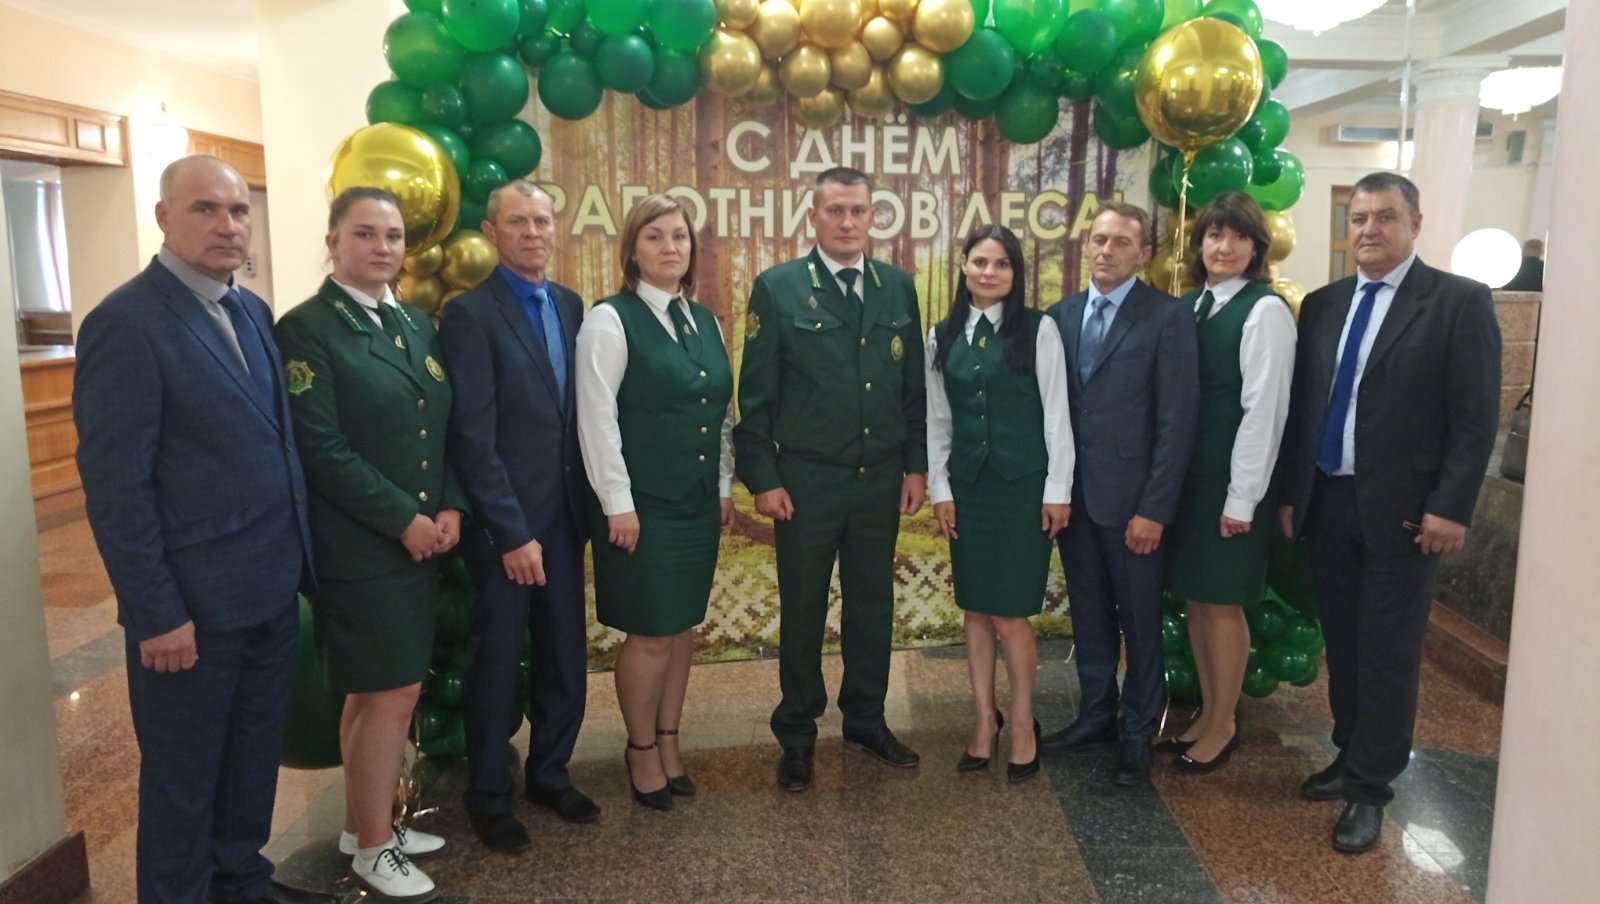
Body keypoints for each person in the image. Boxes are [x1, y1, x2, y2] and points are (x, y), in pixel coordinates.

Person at [73, 155, 324, 904]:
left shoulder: (252, 311)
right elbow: (118, 488)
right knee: (184, 780)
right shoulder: (126, 323)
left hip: (269, 590)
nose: (228, 226)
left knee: (250, 761)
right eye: (206, 209)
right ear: (164, 218)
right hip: (189, 610)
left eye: (239, 210)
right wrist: (157, 612)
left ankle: (240, 880)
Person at [1277, 172, 1501, 853]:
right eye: (1360, 218)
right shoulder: (1323, 304)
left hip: (1406, 515)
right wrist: (1291, 493)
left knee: (1388, 653)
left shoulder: (1457, 302)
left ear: (1415, 224)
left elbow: (1474, 419)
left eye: (1385, 217)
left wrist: (1450, 507)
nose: (1370, 229)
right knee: (1344, 645)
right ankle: (1350, 752)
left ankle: (1370, 790)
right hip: (1328, 502)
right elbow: (1304, 408)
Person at [273, 187, 466, 900]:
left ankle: (365, 826)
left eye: (393, 235)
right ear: (333, 242)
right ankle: (376, 850)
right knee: (388, 692)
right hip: (362, 545)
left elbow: (438, 425)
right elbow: (320, 449)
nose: (383, 247)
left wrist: (451, 502)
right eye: (364, 233)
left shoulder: (412, 322)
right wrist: (403, 519)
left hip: (420, 537)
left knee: (380, 691)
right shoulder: (307, 328)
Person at [734, 166, 929, 792]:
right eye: (836, 210)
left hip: (879, 480)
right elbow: (756, 395)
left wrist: (917, 465)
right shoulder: (780, 287)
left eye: (859, 211)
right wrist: (763, 477)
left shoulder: (897, 286)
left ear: (873, 217)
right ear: (813, 216)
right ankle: (796, 732)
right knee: (804, 608)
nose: (848, 222)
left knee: (872, 604)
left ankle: (866, 719)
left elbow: (912, 390)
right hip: (806, 482)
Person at [439, 180, 595, 852]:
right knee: (499, 661)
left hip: (566, 518)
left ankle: (550, 773)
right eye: (517, 222)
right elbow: (473, 437)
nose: (533, 232)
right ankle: (489, 796)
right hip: (506, 529)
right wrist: (511, 531)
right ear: (491, 231)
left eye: (542, 220)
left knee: (564, 653)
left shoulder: (570, 305)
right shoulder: (469, 314)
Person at [574, 194, 736, 810]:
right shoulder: (610, 320)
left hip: (695, 502)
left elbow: (719, 414)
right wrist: (617, 502)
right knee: (649, 634)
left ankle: (669, 740)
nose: (671, 247)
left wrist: (722, 487)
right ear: (632, 251)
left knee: (680, 626)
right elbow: (596, 420)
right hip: (640, 506)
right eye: (655, 236)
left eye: (680, 236)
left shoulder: (704, 321)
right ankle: (640, 749)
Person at [1039, 202, 1200, 787]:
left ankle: (1137, 730)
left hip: (1134, 506)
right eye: (1099, 239)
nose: (1107, 250)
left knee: (1139, 620)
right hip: (1074, 501)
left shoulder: (1167, 317)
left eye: (1121, 242)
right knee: (1089, 614)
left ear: (1144, 253)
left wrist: (1154, 508)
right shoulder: (1060, 316)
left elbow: (1177, 421)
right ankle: (1095, 715)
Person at [926, 225, 1073, 782]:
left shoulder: (1039, 330)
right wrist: (941, 489)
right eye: (981, 261)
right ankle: (985, 720)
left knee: (1010, 614)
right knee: (975, 610)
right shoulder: (941, 336)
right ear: (963, 265)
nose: (990, 272)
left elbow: (1057, 415)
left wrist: (1058, 490)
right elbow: (938, 420)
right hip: (969, 489)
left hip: (1022, 490)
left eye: (1002, 264)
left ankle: (1024, 723)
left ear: (1016, 272)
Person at [1158, 192, 1296, 774]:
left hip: (1232, 481)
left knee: (1222, 603)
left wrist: (1243, 496)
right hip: (1191, 480)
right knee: (1197, 600)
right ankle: (1208, 714)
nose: (1225, 246)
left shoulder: (1264, 311)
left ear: (1257, 248)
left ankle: (1223, 723)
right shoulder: (1193, 306)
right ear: (1199, 243)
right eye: (1215, 235)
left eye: (1239, 237)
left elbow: (1265, 410)